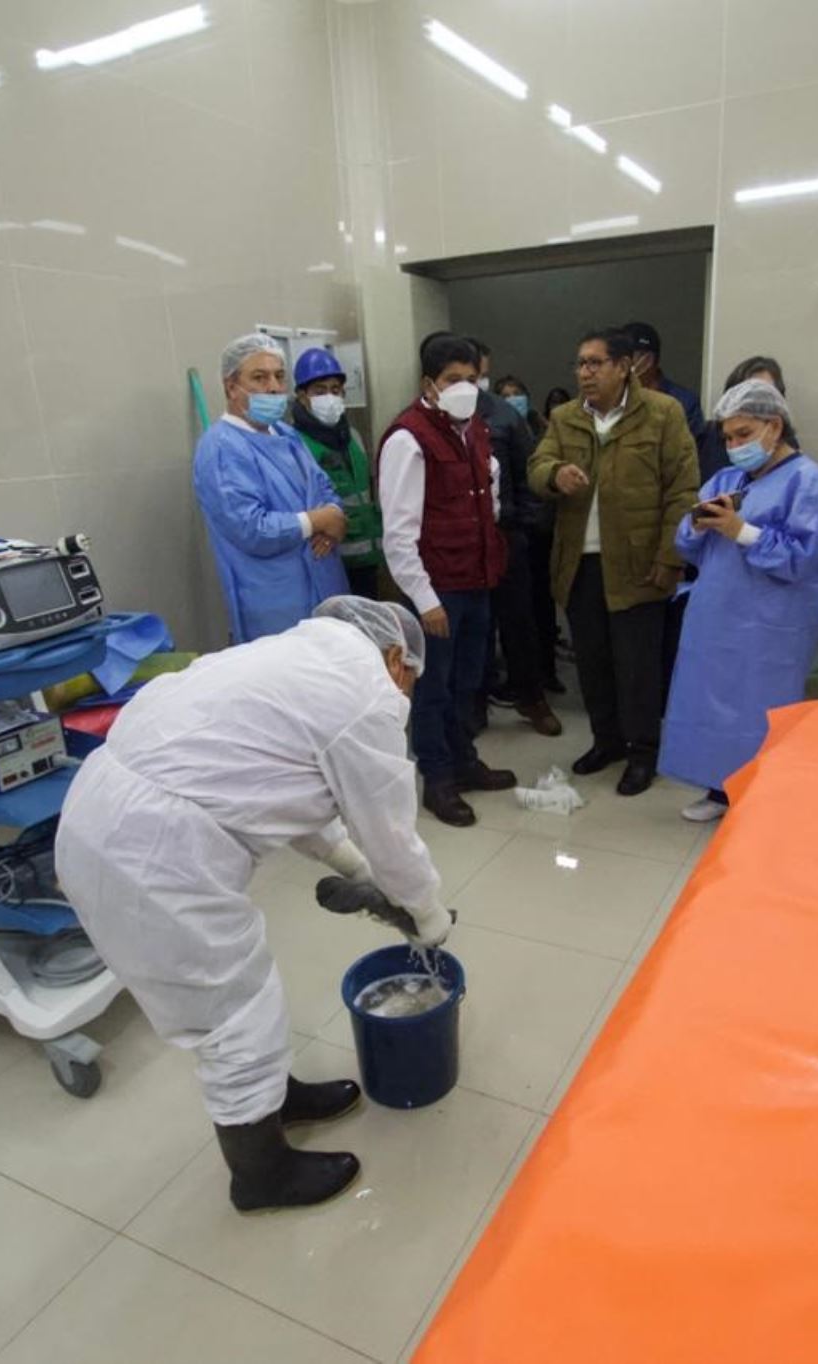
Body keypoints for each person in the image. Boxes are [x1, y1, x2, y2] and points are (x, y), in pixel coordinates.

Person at [54, 599, 450, 1213]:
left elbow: (286, 786)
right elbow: (392, 835)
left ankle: (273, 1100)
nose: (406, 692)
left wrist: (353, 868)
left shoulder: (288, 659)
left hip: (100, 815)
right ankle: (260, 1174)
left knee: (244, 995)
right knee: (234, 1011)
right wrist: (428, 916)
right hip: (151, 852)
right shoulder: (368, 693)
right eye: (410, 680)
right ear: (398, 659)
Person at [528, 327, 698, 796]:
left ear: (625, 367)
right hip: (579, 564)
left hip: (639, 565)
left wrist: (670, 557)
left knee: (637, 667)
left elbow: (682, 490)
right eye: (580, 364)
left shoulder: (663, 414)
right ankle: (607, 742)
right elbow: (535, 467)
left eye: (595, 363)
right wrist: (554, 474)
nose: (585, 372)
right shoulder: (564, 418)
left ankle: (643, 753)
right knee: (594, 665)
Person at [661, 381, 818, 822]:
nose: (734, 445)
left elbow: (805, 559)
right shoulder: (728, 478)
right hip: (716, 617)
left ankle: (762, 796)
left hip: (770, 626)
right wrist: (698, 525)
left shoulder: (807, 481)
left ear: (773, 426)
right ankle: (718, 790)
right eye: (728, 438)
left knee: (760, 714)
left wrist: (743, 531)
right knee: (711, 709)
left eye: (743, 434)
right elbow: (687, 544)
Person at [378, 333, 517, 826]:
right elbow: (397, 533)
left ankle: (463, 760)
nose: (466, 387)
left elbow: (487, 499)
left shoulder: (474, 430)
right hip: (436, 590)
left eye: (473, 378)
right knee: (433, 686)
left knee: (467, 681)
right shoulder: (408, 438)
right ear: (428, 385)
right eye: (453, 380)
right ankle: (436, 777)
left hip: (475, 579)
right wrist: (425, 599)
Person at [195, 333, 349, 642]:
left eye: (279, 376)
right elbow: (252, 528)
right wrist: (318, 521)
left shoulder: (286, 435)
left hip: (326, 588)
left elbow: (325, 490)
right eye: (259, 377)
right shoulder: (222, 448)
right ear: (231, 386)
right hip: (276, 608)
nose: (275, 387)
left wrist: (333, 515)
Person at [471, 340, 561, 737]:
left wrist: (521, 523)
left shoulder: (503, 415)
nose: (472, 384)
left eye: (477, 375)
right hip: (461, 543)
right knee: (471, 627)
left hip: (506, 535)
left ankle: (532, 698)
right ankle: (473, 704)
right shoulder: (430, 422)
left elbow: (530, 476)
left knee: (518, 622)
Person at [289, 347, 383, 600]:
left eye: (335, 389)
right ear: (302, 396)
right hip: (329, 562)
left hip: (369, 557)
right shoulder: (295, 445)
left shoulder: (353, 436)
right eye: (319, 391)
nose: (329, 397)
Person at [622, 320, 704, 440]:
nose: (619, 364)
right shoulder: (610, 398)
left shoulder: (684, 403)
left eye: (627, 357)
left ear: (647, 360)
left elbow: (691, 452)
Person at [496, 374, 546, 441]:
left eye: (517, 394)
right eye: (506, 396)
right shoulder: (496, 431)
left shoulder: (535, 422)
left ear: (526, 397)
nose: (513, 398)